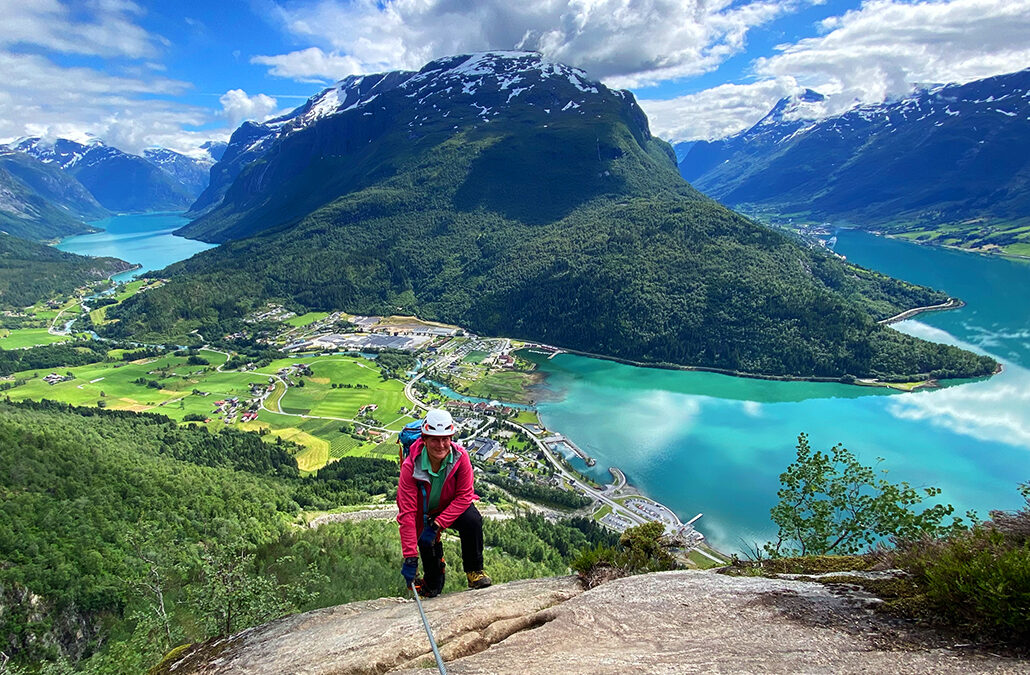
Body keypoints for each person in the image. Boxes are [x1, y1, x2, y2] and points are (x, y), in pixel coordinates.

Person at [397, 408, 492, 597]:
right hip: (423, 513)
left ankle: (474, 571)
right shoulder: (410, 467)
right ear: (424, 439)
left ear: (451, 438)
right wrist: (410, 558)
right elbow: (407, 514)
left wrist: (438, 524)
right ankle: (431, 586)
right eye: (434, 439)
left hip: (451, 506)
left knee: (472, 520)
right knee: (428, 554)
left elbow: (465, 495)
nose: (440, 445)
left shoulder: (460, 456)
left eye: (445, 439)